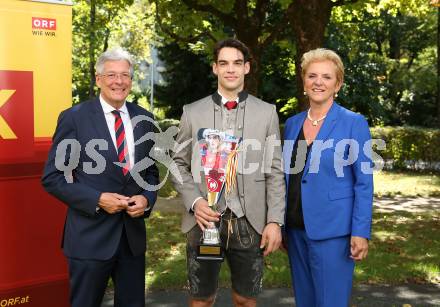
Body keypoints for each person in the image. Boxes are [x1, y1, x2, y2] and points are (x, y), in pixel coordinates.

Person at [171, 38, 285, 307]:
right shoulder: (192, 112)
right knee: (202, 300)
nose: (230, 69)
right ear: (215, 68)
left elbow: (275, 170)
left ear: (247, 68)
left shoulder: (267, 113)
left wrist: (275, 221)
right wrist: (195, 201)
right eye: (224, 63)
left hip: (250, 221)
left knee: (245, 299)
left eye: (237, 63)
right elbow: (177, 163)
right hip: (204, 221)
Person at [41, 48, 159, 307]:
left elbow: (151, 173)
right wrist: (97, 199)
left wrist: (147, 199)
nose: (119, 81)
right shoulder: (74, 118)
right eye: (112, 75)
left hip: (131, 241)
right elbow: (53, 177)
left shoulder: (145, 119)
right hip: (89, 239)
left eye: (125, 75)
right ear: (98, 79)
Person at [283, 48, 373, 307]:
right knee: (305, 302)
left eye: (326, 77)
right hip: (296, 229)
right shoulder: (292, 124)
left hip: (334, 232)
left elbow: (364, 183)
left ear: (338, 84)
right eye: (312, 76)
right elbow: (288, 177)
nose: (318, 82)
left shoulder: (353, 123)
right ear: (304, 81)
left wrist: (360, 231)